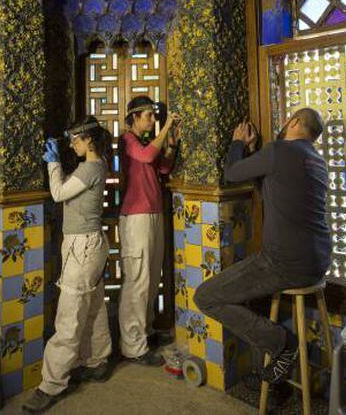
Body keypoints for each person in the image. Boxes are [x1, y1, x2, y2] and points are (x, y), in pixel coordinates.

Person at [194, 108, 331, 384]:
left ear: (293, 122)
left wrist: (237, 143)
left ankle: (282, 343)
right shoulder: (317, 161)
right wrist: (256, 152)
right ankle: (265, 363)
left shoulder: (279, 150)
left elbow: (232, 173)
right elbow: (269, 189)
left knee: (205, 296)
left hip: (283, 264)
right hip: (318, 263)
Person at [23, 116, 113, 413]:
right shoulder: (96, 165)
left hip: (82, 247)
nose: (73, 144)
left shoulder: (89, 168)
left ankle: (51, 384)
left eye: (76, 139)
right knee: (95, 306)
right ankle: (98, 361)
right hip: (91, 244)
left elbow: (59, 193)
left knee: (69, 315)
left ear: (89, 140)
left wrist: (52, 163)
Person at [119, 96, 180, 365]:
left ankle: (146, 330)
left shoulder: (145, 142)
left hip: (153, 213)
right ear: (134, 117)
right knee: (138, 281)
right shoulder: (128, 140)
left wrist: (171, 144)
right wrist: (165, 128)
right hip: (136, 217)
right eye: (148, 116)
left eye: (154, 116)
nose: (153, 120)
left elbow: (163, 167)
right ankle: (133, 346)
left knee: (152, 275)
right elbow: (145, 157)